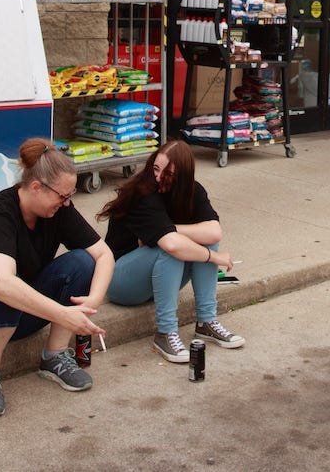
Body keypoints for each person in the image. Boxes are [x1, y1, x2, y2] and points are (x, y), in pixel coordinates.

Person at [0, 138, 115, 417]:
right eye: (63, 196)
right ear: (36, 187)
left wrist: (93, 299)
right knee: (5, 281)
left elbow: (103, 255)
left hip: (15, 314)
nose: (67, 203)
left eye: (71, 195)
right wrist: (64, 314)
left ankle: (54, 356)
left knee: (81, 261)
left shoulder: (58, 210)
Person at [98, 139, 244, 362]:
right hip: (121, 280)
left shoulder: (193, 191)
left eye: (167, 173)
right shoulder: (144, 192)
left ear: (183, 176)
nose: (158, 177)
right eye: (155, 168)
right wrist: (213, 257)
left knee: (195, 240)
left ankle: (207, 322)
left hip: (159, 278)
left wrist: (171, 229)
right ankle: (165, 332)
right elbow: (171, 245)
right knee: (171, 247)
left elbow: (214, 232)